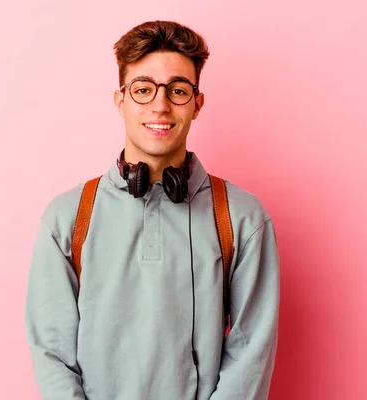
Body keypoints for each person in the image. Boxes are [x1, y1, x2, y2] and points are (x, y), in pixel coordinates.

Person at [25, 20, 280, 400]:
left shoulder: (243, 218)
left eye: (177, 90)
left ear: (197, 103)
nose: (160, 105)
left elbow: (252, 351)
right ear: (121, 100)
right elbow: (52, 353)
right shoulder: (67, 217)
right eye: (143, 89)